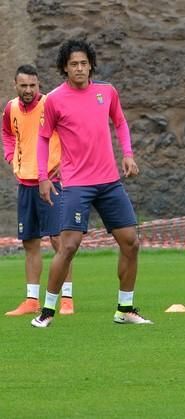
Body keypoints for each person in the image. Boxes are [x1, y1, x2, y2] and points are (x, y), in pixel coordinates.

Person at [31, 39, 152, 327]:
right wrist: (43, 177)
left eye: (84, 63)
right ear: (65, 67)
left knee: (131, 243)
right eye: (74, 64)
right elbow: (43, 138)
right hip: (77, 185)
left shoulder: (106, 92)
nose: (80, 68)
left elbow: (120, 122)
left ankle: (125, 309)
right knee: (69, 246)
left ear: (91, 65)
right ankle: (47, 312)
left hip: (109, 182)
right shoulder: (55, 100)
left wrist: (128, 155)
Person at [1, 64, 75, 316]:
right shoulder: (10, 108)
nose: (29, 90)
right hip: (25, 184)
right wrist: (11, 157)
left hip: (51, 184)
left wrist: (63, 164)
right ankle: (32, 300)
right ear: (16, 85)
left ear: (38, 84)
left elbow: (69, 133)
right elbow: (8, 133)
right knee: (30, 242)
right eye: (24, 85)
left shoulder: (50, 105)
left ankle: (66, 299)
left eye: (33, 85)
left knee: (59, 241)